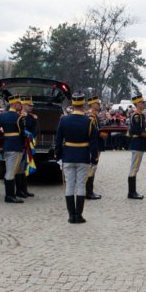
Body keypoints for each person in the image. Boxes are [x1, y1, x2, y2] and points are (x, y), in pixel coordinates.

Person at [55, 93, 98, 224]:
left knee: (69, 185)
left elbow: (58, 140)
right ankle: (78, 215)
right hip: (83, 156)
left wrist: (59, 156)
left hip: (68, 155)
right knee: (80, 186)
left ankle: (71, 216)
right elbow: (93, 142)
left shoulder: (64, 120)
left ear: (72, 105)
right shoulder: (89, 121)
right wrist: (94, 158)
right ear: (83, 105)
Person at [0, 95, 26, 203]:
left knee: (9, 170)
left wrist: (3, 136)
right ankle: (10, 196)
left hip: (7, 145)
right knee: (11, 172)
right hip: (16, 146)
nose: (20, 105)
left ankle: (10, 195)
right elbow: (22, 134)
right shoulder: (18, 117)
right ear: (14, 104)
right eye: (19, 103)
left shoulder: (2, 116)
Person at [17, 96, 38, 198]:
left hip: (28, 144)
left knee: (25, 167)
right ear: (24, 105)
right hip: (20, 144)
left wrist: (31, 139)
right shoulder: (18, 116)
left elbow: (35, 131)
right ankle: (19, 190)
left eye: (31, 106)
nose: (31, 107)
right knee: (19, 168)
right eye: (29, 105)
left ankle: (24, 189)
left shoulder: (32, 118)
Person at [127, 93, 146, 199]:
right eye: (142, 102)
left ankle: (133, 191)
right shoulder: (136, 115)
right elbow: (136, 130)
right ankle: (131, 192)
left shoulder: (140, 115)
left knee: (136, 167)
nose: (144, 104)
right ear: (137, 104)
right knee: (134, 167)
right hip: (137, 142)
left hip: (140, 142)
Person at [85, 95, 102, 200]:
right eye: (97, 103)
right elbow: (92, 134)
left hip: (96, 145)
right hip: (92, 146)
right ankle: (89, 192)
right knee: (91, 168)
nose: (99, 105)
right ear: (91, 105)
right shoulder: (91, 117)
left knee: (93, 168)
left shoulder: (95, 116)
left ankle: (90, 191)